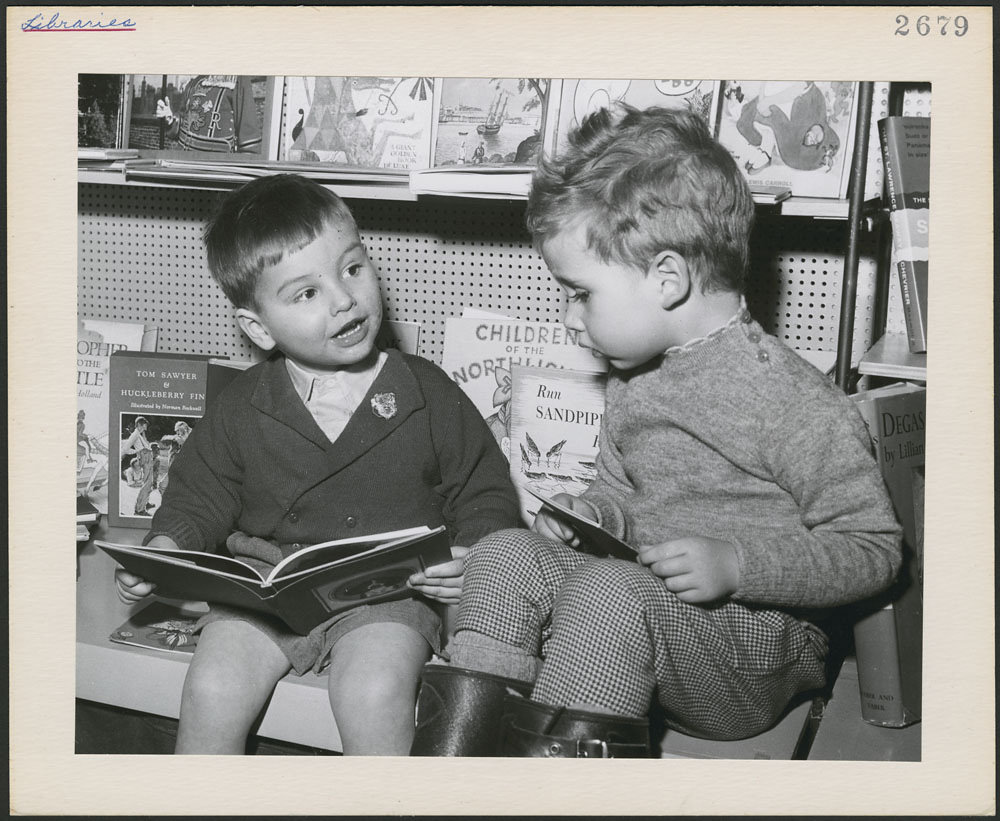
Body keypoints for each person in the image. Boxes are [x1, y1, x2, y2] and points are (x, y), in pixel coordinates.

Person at [409, 105, 903, 758]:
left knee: (613, 592)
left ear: (667, 279)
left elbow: (874, 547)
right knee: (504, 553)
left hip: (756, 651)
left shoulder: (789, 398)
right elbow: (626, 499)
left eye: (580, 292)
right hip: (649, 622)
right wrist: (594, 512)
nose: (568, 317)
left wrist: (738, 564)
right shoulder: (634, 381)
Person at [115, 173, 520, 755]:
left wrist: (476, 553)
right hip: (265, 594)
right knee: (211, 686)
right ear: (258, 327)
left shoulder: (427, 391)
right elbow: (198, 496)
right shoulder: (242, 404)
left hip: (388, 594)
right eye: (306, 293)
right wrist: (166, 553)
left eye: (352, 268)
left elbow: (483, 488)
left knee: (374, 689)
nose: (342, 299)